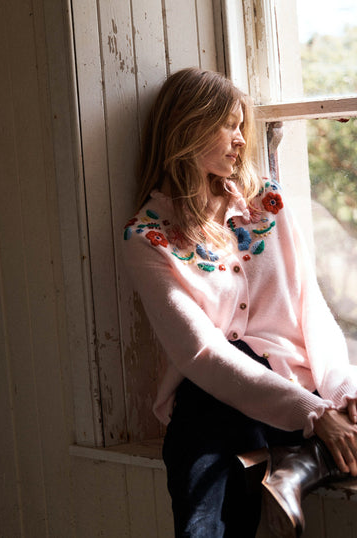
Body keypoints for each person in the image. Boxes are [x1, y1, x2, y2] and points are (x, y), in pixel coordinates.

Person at [122, 67, 357, 537]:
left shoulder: (265, 202)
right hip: (225, 398)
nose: (241, 139)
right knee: (209, 435)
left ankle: (298, 465)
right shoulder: (148, 237)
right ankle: (296, 467)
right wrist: (313, 414)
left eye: (242, 126)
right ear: (188, 128)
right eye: (228, 125)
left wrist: (340, 394)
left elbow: (309, 306)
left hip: (292, 398)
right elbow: (202, 353)